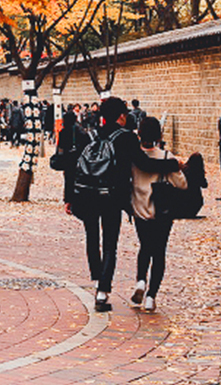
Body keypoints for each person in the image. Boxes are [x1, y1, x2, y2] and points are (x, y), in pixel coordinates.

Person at [66, 96, 181, 313]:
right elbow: (145, 164)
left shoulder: (89, 134)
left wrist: (69, 197)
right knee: (109, 244)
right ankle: (103, 291)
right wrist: (174, 163)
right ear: (121, 116)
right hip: (111, 197)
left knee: (92, 239)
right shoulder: (126, 138)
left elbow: (73, 167)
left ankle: (97, 281)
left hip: (87, 194)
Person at [130, 116, 188, 313]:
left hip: (140, 210)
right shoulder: (166, 158)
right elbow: (182, 184)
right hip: (162, 212)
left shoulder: (135, 158)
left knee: (145, 247)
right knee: (159, 252)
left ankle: (140, 280)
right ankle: (151, 297)